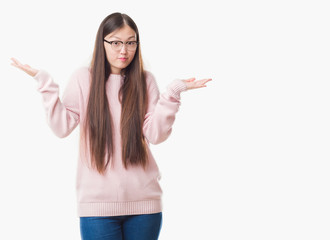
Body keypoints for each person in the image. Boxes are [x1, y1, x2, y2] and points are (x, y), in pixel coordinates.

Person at [10, 12, 211, 240]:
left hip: (145, 206)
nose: (123, 50)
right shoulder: (83, 79)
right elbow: (61, 127)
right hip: (96, 208)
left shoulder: (146, 81)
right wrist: (44, 82)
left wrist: (172, 93)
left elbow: (156, 134)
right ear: (102, 42)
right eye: (115, 42)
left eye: (130, 42)